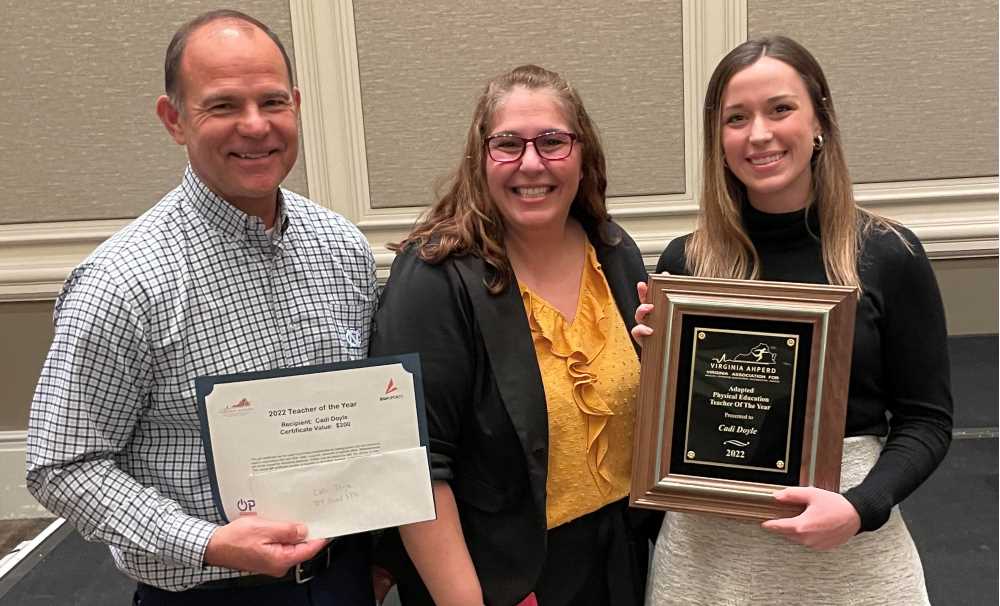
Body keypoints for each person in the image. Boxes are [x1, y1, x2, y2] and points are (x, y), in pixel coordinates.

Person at [25, 10, 377, 605]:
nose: (255, 125)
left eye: (272, 102)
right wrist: (206, 542)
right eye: (223, 106)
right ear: (175, 120)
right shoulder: (123, 282)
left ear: (295, 105)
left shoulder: (342, 247)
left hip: (345, 578)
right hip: (209, 592)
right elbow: (61, 465)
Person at [634, 36, 952, 605]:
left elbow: (926, 421)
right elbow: (677, 429)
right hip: (708, 566)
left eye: (780, 109)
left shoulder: (888, 253)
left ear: (819, 121)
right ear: (718, 140)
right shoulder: (686, 264)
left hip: (848, 556)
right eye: (736, 118)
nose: (758, 134)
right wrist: (655, 364)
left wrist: (861, 507)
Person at [368, 65, 656, 606]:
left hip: (619, 561)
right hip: (497, 581)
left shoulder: (615, 254)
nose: (531, 163)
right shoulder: (435, 278)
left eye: (552, 141)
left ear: (583, 154)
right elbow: (416, 465)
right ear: (480, 159)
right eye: (507, 144)